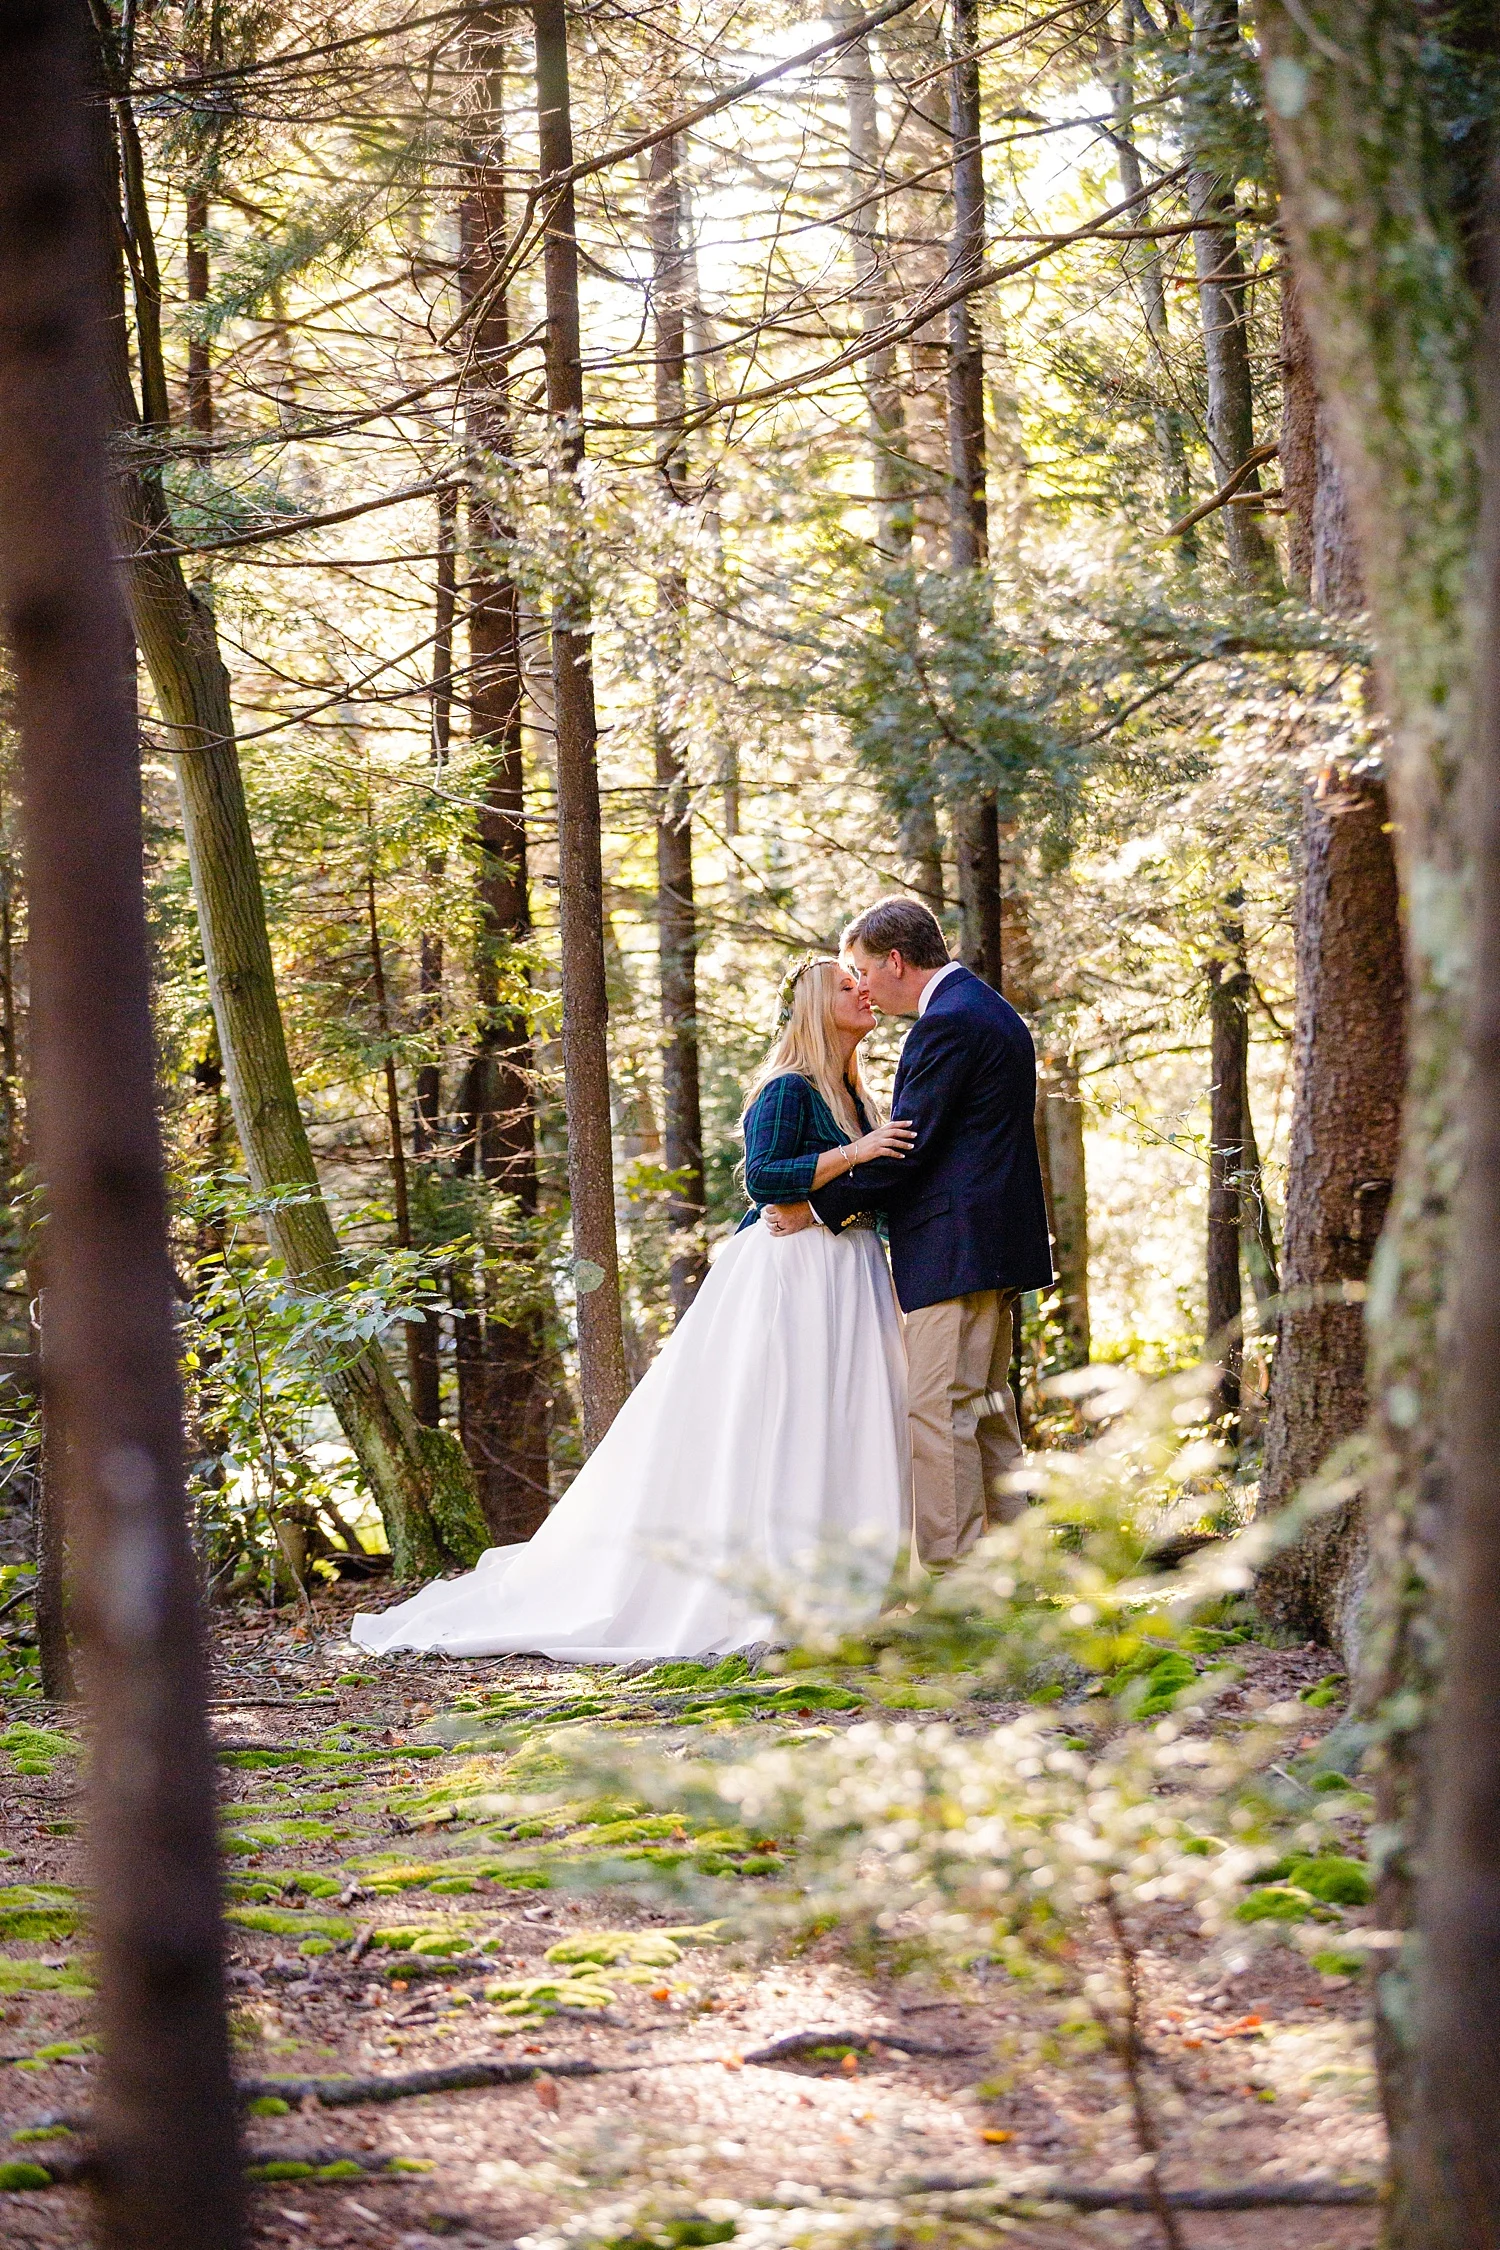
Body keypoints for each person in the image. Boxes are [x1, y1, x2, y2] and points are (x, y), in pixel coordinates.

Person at [351, 957, 914, 1662]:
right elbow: (765, 1180)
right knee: (785, 1422)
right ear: (810, 1008)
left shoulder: (856, 1095)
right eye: (844, 985)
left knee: (847, 1420)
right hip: (790, 1279)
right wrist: (855, 1154)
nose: (862, 991)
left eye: (863, 982)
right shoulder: (787, 1090)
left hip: (848, 1269)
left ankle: (848, 1585)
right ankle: (774, 1589)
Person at [764, 897, 1054, 1568]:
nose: (860, 985)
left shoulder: (945, 1025)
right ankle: (1015, 1573)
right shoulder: (989, 1010)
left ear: (895, 961)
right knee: (985, 1410)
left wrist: (818, 1210)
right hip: (994, 1245)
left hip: (955, 1250)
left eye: (862, 969)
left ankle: (955, 1582)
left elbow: (907, 1151)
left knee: (937, 1412)